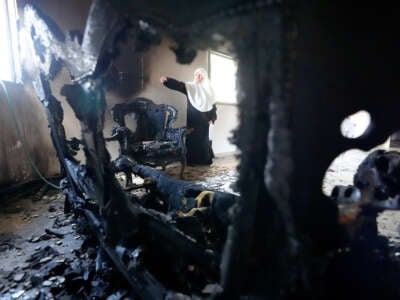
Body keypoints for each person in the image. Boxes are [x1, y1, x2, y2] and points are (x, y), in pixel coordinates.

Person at [160, 68, 217, 165]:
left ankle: (204, 161)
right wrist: (168, 81)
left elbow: (214, 106)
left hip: (204, 120)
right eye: (196, 75)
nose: (198, 77)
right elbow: (179, 85)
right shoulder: (191, 87)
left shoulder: (209, 90)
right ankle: (191, 161)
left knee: (203, 140)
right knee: (192, 139)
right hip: (193, 118)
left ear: (204, 77)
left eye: (200, 75)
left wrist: (212, 118)